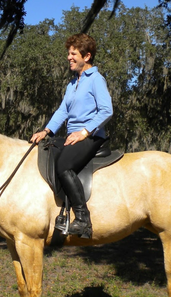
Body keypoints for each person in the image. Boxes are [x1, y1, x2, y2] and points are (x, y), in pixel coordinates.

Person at [30, 33, 113, 239]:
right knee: (45, 150)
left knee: (64, 166)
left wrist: (85, 132)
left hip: (91, 137)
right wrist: (46, 131)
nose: (69, 57)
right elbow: (62, 112)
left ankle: (83, 219)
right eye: (68, 53)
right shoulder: (72, 83)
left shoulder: (96, 79)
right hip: (72, 135)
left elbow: (106, 110)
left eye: (73, 53)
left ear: (86, 56)